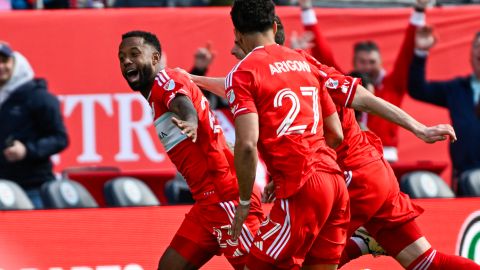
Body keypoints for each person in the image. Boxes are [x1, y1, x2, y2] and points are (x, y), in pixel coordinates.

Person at [182, 13, 479, 269]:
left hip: (352, 179)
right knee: (426, 262)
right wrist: (191, 79)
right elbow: (234, 85)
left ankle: (363, 245)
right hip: (375, 173)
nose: (234, 52)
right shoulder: (289, 71)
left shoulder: (302, 70)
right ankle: (368, 242)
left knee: (305, 261)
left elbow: (363, 99)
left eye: (238, 45)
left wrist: (419, 129)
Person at [117, 31, 264, 270]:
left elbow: (182, 104)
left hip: (224, 197)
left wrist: (190, 121)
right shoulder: (160, 90)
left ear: (155, 58)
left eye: (135, 54)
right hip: (206, 203)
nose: (126, 61)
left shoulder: (165, 81)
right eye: (121, 57)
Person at [227, 1, 350, 269]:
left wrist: (246, 202)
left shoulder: (243, 72)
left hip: (303, 186)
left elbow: (247, 145)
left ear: (237, 33)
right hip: (335, 183)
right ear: (274, 26)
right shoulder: (304, 61)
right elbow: (336, 134)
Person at [298, 0, 429, 162]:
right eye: (362, 62)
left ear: (381, 62)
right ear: (354, 62)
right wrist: (306, 9)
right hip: (350, 153)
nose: (367, 67)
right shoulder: (346, 86)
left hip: (386, 156)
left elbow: (406, 53)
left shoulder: (393, 85)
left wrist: (420, 10)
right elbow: (323, 54)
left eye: (372, 62)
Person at [0, 42, 69, 209]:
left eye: (4, 60)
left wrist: (27, 150)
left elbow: (60, 138)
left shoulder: (39, 97)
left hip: (33, 188)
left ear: (15, 62)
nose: (0, 66)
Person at [408, 28, 480, 185]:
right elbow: (418, 89)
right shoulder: (457, 88)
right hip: (464, 179)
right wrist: (421, 53)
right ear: (470, 56)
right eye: (476, 46)